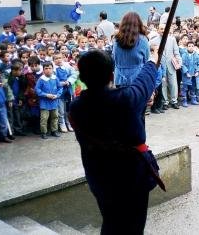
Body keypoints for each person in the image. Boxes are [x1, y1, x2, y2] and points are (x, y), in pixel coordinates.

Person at [69, 49, 161, 235]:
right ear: (112, 74)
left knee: (111, 220)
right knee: (133, 226)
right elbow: (143, 82)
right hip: (131, 176)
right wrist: (152, 60)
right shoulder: (125, 99)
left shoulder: (76, 107)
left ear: (82, 77)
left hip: (99, 176)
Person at [112, 12, 150, 87]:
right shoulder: (142, 40)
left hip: (120, 78)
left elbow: (114, 58)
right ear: (138, 23)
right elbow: (147, 60)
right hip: (138, 78)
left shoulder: (116, 39)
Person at [35, 61, 62, 139]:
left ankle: (54, 131)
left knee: (55, 117)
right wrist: (46, 95)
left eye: (50, 68)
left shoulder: (55, 78)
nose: (48, 70)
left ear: (52, 69)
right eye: (46, 68)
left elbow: (60, 88)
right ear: (43, 70)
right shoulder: (41, 79)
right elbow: (37, 90)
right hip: (44, 102)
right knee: (44, 118)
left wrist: (57, 95)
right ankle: (44, 132)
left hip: (54, 102)